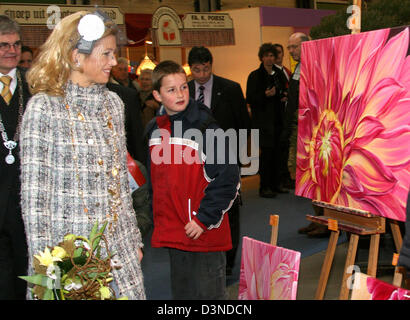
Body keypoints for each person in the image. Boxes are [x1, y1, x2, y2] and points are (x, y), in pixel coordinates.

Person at [20, 11, 145, 299]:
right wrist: (47, 270)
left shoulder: (113, 103)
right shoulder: (44, 108)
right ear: (77, 56)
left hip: (120, 252)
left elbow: (120, 187)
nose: (114, 62)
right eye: (107, 54)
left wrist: (133, 242)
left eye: (115, 54)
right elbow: (35, 203)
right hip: (70, 261)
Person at [147, 60, 240, 299]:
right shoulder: (153, 130)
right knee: (183, 295)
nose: (180, 94)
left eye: (183, 87)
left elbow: (228, 177)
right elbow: (155, 183)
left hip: (203, 232)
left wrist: (203, 219)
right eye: (171, 90)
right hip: (173, 232)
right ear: (157, 95)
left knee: (210, 297)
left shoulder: (206, 127)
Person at [187, 46, 250, 277]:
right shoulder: (184, 90)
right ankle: (201, 258)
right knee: (199, 209)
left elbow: (243, 125)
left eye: (206, 69)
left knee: (229, 209)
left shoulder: (230, 88)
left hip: (226, 158)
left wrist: (238, 159)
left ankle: (228, 264)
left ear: (211, 66)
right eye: (197, 70)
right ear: (190, 68)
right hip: (193, 162)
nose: (202, 75)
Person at [0, 15, 31, 300]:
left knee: (27, 275)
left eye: (16, 44)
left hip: (26, 201)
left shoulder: (32, 86)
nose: (12, 50)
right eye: (4, 45)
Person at [286, 32, 328, 237]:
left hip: (314, 126)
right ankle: (317, 217)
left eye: (294, 47)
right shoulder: (297, 68)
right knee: (304, 176)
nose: (291, 51)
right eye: (289, 48)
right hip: (299, 126)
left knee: (318, 175)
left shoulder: (317, 66)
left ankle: (325, 221)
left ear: (306, 45)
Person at [246, 43, 288, 199]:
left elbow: (285, 89)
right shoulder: (255, 75)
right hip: (263, 123)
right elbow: (250, 98)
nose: (269, 58)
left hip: (278, 120)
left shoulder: (279, 73)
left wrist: (283, 95)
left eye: (272, 55)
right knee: (266, 155)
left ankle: (277, 184)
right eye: (267, 55)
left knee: (278, 154)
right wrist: (265, 95)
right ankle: (265, 187)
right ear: (261, 57)